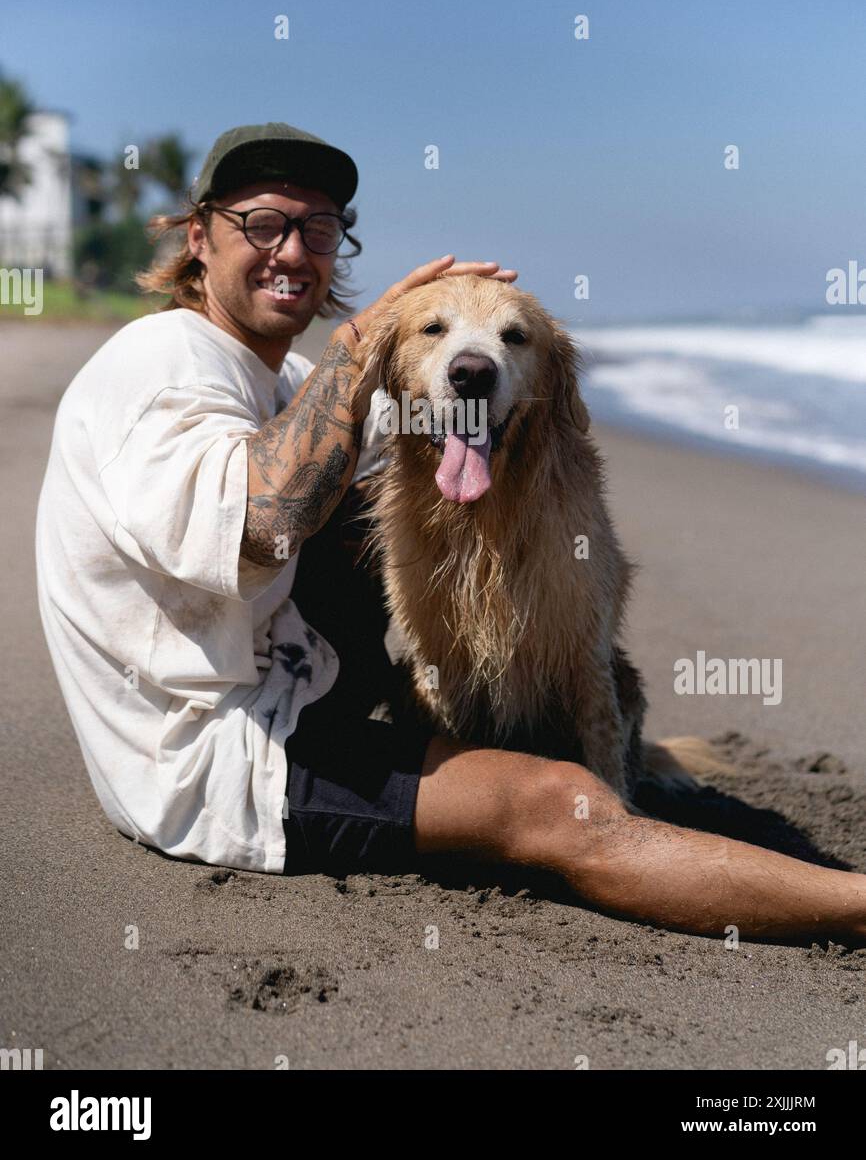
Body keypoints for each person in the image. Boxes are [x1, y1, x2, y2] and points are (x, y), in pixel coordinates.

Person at [36, 121, 866, 943]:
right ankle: (852, 903)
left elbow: (429, 454)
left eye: (317, 228)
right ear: (198, 239)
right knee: (556, 807)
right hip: (223, 765)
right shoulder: (158, 366)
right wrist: (364, 345)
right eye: (261, 223)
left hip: (295, 694)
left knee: (392, 500)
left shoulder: (277, 374)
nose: (292, 250)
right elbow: (268, 523)